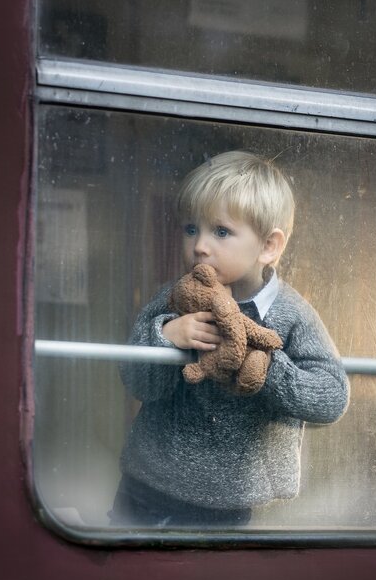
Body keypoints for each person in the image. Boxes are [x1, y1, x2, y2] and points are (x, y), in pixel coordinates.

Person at [114, 150, 348, 528]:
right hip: (148, 481)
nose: (200, 246)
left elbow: (331, 398)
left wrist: (266, 368)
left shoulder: (291, 315)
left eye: (221, 231)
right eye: (191, 229)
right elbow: (136, 381)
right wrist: (165, 338)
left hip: (230, 499)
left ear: (269, 246)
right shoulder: (174, 299)